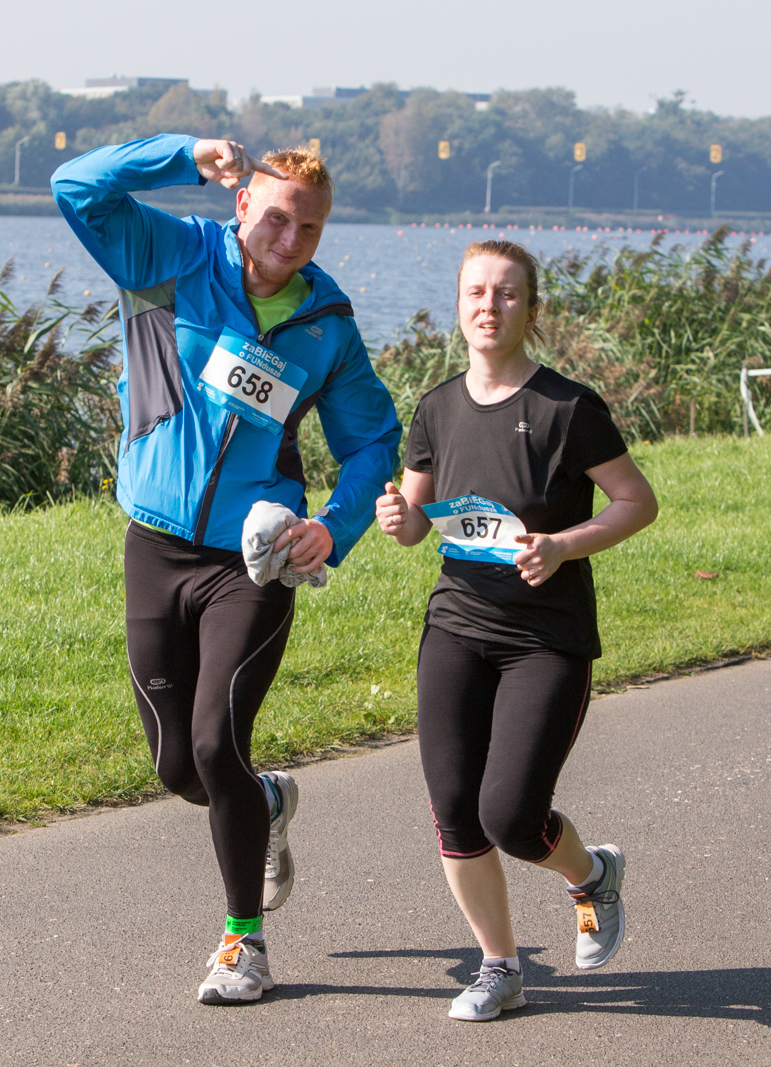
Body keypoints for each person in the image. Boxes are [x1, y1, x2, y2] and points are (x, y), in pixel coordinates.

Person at [52, 135, 401, 1004]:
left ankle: (243, 943)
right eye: (276, 216)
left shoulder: (327, 324)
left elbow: (373, 443)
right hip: (157, 542)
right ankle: (267, 802)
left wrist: (332, 526)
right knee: (180, 768)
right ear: (240, 202)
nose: (289, 239)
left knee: (216, 742)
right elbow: (75, 185)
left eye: (309, 228)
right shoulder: (171, 255)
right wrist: (182, 154)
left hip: (258, 557)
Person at [374, 240, 659, 1021]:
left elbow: (637, 503)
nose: (488, 306)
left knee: (510, 813)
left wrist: (563, 545)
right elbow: (413, 523)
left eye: (506, 294)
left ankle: (591, 874)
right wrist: (395, 516)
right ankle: (499, 965)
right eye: (475, 292)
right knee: (455, 810)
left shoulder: (568, 409)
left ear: (532, 310)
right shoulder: (435, 407)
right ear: (459, 304)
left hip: (546, 638)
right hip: (457, 626)